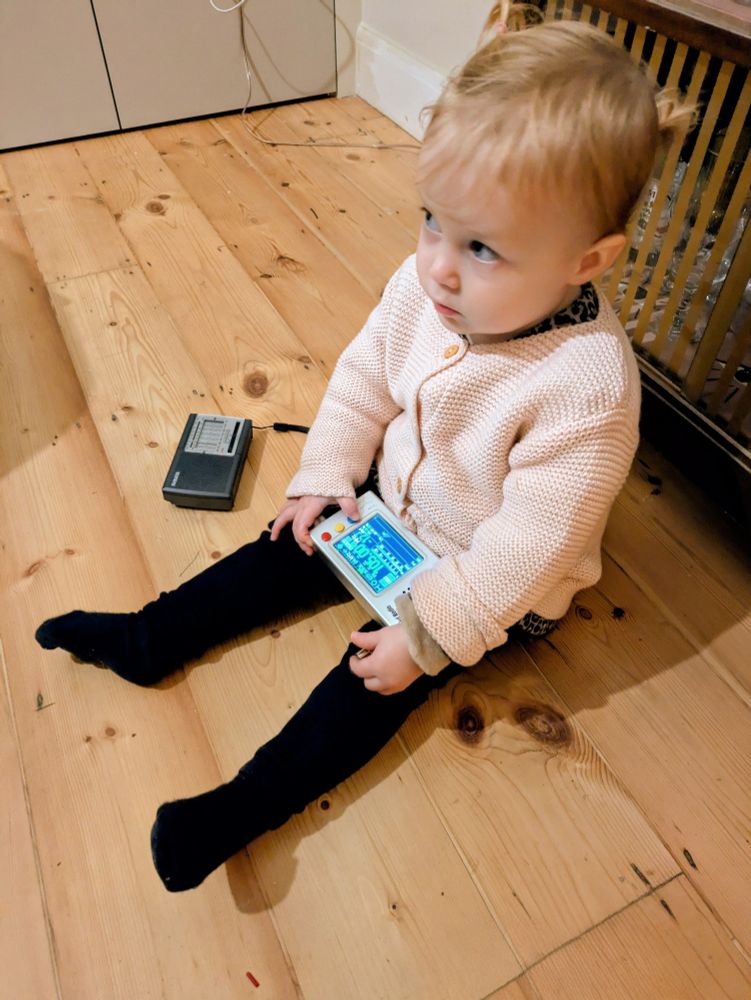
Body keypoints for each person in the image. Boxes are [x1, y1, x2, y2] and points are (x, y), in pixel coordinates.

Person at [35, 1, 692, 892]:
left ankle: (237, 811)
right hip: (387, 510)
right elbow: (362, 381)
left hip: (479, 583)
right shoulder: (428, 288)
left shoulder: (587, 386)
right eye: (431, 220)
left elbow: (528, 548)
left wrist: (427, 634)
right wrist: (323, 476)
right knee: (284, 545)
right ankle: (151, 637)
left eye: (482, 247)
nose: (439, 266)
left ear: (588, 262)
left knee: (375, 677)